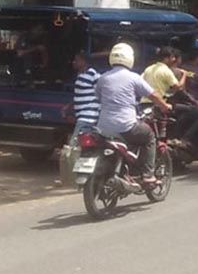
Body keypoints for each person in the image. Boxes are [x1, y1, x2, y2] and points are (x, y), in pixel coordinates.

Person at [95, 43, 171, 183]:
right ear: (130, 58)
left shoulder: (103, 78)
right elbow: (153, 95)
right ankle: (148, 175)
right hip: (126, 125)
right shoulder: (133, 77)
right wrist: (165, 105)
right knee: (149, 136)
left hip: (104, 128)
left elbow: (99, 97)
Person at [68, 52, 101, 141]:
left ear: (84, 62)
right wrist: (69, 107)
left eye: (76, 60)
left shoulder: (93, 74)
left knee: (74, 146)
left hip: (87, 118)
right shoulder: (81, 75)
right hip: (83, 117)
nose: (73, 62)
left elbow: (101, 94)